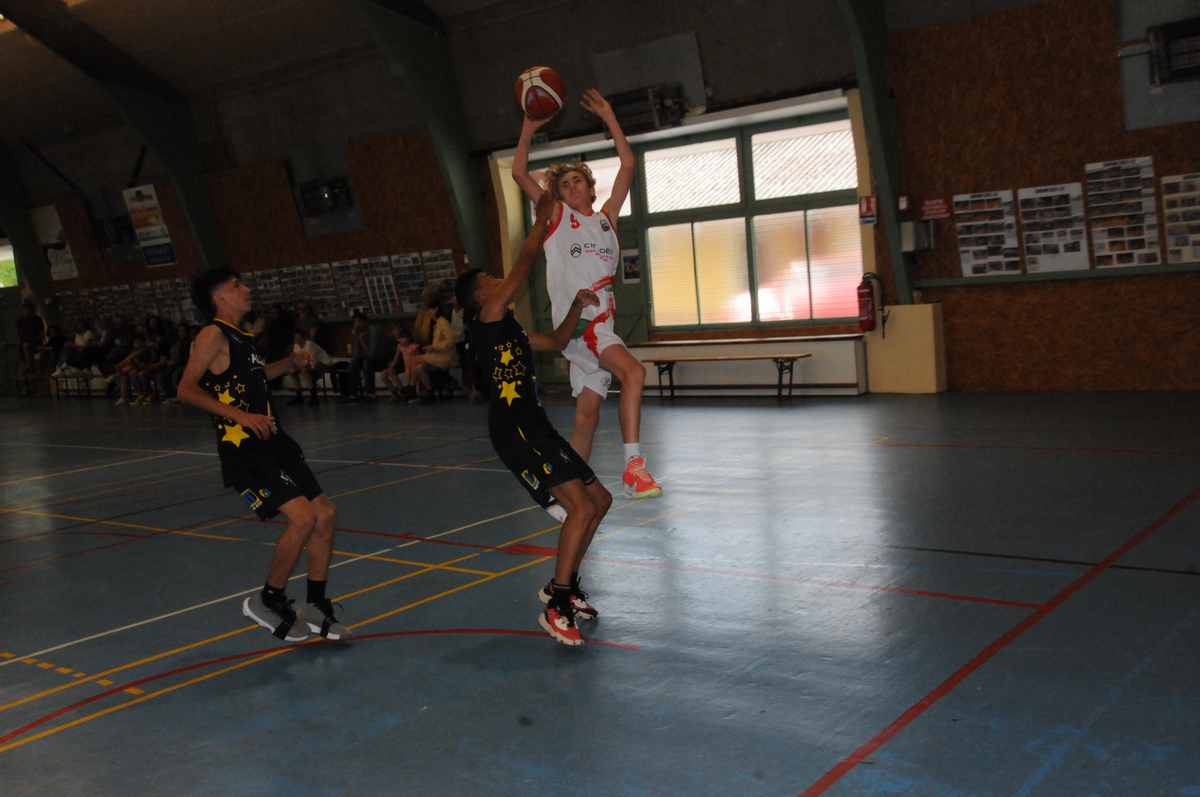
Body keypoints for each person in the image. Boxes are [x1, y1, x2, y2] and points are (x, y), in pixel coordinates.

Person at [456, 191, 612, 646]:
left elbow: (558, 342)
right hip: (515, 430)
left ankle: (565, 586)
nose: (499, 281)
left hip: (536, 425)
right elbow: (524, 264)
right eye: (490, 278)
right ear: (481, 295)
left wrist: (577, 306)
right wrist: (542, 221)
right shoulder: (487, 319)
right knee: (580, 507)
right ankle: (557, 605)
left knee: (599, 500)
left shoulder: (511, 329)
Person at [178, 269, 348, 643]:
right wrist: (241, 416)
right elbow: (186, 389)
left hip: (275, 441)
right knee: (302, 518)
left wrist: (288, 364)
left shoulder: (242, 337)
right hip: (244, 447)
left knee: (325, 514)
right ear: (219, 297)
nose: (246, 289)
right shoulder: (212, 335)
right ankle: (268, 600)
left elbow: (254, 379)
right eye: (236, 285)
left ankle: (316, 605)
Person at [512, 88, 662, 499]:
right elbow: (520, 173)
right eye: (564, 184)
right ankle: (634, 467)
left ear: (591, 189)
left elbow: (628, 164)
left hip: (598, 324)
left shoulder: (607, 220)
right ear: (558, 195)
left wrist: (610, 116)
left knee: (587, 417)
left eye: (578, 180)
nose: (572, 186)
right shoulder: (558, 218)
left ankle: (569, 492)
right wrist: (528, 127)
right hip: (581, 324)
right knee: (634, 373)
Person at [410, 302, 458, 403]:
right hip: (438, 355)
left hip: (444, 357)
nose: (428, 313)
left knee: (415, 361)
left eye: (430, 310)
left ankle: (418, 390)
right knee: (417, 365)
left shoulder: (443, 322)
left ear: (436, 309)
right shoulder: (437, 323)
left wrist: (433, 348)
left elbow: (451, 340)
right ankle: (421, 390)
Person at [285, 328, 334, 405]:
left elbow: (311, 361)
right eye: (295, 338)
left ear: (303, 338)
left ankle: (314, 397)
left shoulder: (309, 345)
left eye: (298, 338)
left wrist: (302, 367)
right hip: (311, 364)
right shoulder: (296, 346)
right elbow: (297, 360)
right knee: (292, 372)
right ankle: (299, 397)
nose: (296, 340)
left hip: (323, 364)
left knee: (304, 371)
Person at [15, 300, 46, 394]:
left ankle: (36, 388)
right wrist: (21, 344)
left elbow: (41, 334)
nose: (26, 311)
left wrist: (34, 342)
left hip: (35, 345)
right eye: (24, 309)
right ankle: (27, 387)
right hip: (24, 345)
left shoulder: (37, 319)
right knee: (25, 366)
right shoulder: (20, 320)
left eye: (28, 309)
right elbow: (19, 334)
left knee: (36, 367)